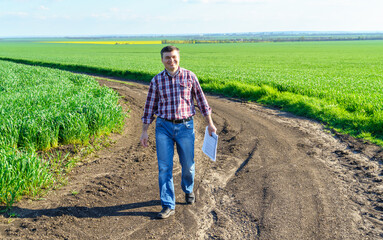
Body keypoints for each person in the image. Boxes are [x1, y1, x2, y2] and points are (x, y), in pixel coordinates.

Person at [140, 45, 217, 219]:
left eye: (174, 57)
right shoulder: (157, 80)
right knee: (164, 167)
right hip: (163, 128)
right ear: (162, 60)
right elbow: (149, 107)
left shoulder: (190, 76)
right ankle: (168, 205)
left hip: (185, 127)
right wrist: (144, 131)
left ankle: (188, 189)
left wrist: (210, 124)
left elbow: (202, 102)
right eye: (167, 57)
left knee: (188, 166)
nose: (171, 60)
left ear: (179, 58)